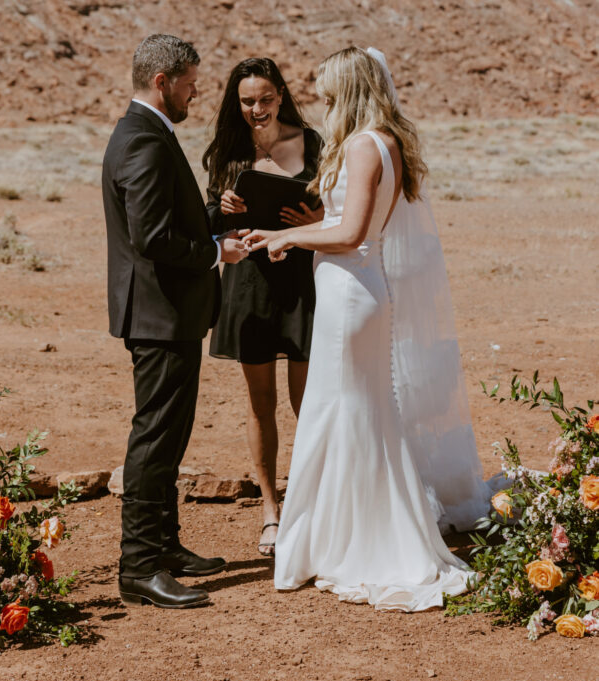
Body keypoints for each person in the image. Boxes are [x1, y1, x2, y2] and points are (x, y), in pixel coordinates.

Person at [245, 46, 485, 610]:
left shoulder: (359, 144)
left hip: (351, 294)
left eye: (329, 94)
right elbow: (357, 226)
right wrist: (310, 229)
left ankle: (348, 542)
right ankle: (355, 534)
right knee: (362, 412)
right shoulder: (386, 142)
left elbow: (352, 233)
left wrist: (286, 237)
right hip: (360, 290)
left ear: (349, 92)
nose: (323, 105)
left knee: (346, 411)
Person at [102, 33, 247, 609]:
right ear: (162, 82)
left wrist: (212, 220)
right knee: (155, 439)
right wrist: (218, 253)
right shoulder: (143, 140)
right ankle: (138, 568)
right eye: (189, 84)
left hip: (168, 314)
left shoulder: (144, 133)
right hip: (159, 316)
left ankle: (164, 545)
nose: (196, 93)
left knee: (169, 435)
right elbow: (153, 237)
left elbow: (162, 220)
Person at [203, 58, 323, 557]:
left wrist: (313, 216)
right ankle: (271, 513)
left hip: (302, 279)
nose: (258, 108)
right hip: (249, 282)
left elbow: (335, 209)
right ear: (238, 102)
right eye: (248, 100)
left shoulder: (310, 142)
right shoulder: (226, 151)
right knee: (260, 403)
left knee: (308, 403)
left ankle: (313, 505)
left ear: (281, 96)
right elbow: (206, 220)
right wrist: (221, 211)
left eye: (266, 98)